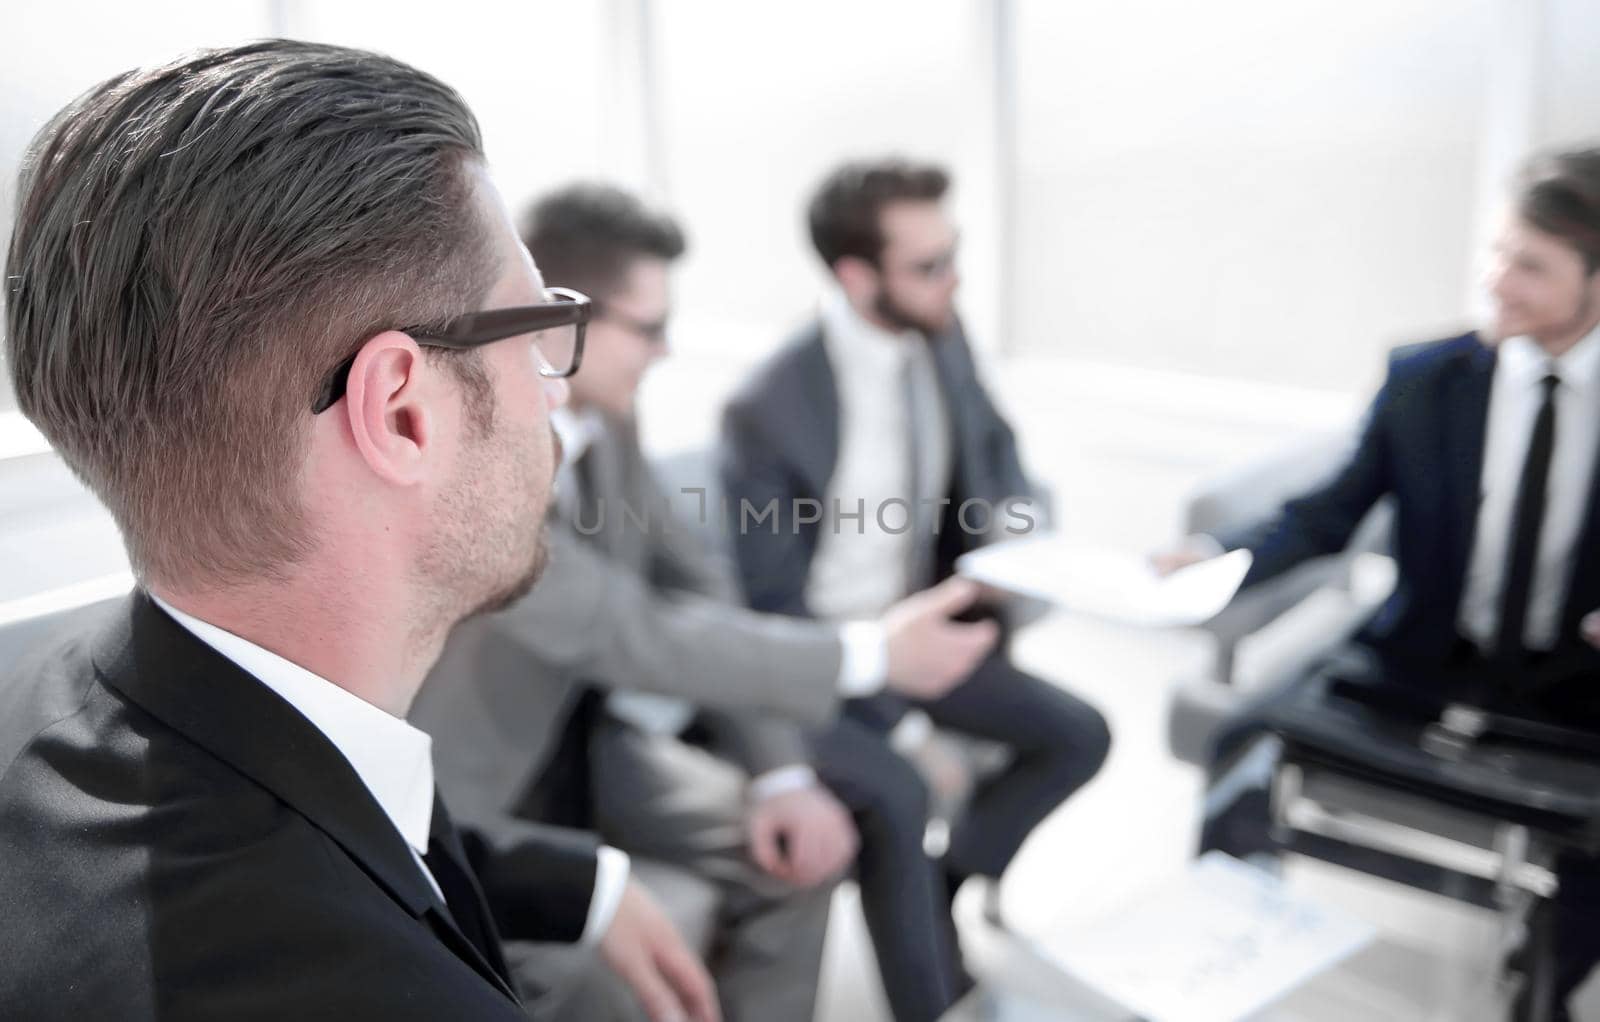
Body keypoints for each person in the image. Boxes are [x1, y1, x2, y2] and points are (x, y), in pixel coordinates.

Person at [0, 41, 714, 1022]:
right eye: (533, 326)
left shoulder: (52, 699)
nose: (554, 383)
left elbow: (349, 816)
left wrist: (577, 884)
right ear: (401, 409)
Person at [413, 181, 1000, 1021]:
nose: (666, 351)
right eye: (649, 327)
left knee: (804, 849)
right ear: (558, 317)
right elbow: (629, 629)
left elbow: (695, 580)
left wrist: (781, 773)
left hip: (594, 744)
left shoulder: (607, 423)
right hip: (477, 789)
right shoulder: (479, 473)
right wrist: (870, 653)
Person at [1156, 146, 1600, 1021]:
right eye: (1498, 253)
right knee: (1241, 739)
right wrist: (1216, 552)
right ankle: (1223, 961)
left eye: (1531, 267)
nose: (1498, 282)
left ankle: (1544, 990)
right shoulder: (1425, 379)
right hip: (1417, 657)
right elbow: (1326, 514)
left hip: (1575, 689)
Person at [719, 157, 1112, 1020]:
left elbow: (996, 449)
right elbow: (768, 608)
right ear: (857, 276)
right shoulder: (768, 408)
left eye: (953, 254)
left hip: (931, 629)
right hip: (824, 660)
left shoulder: (942, 332)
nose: (954, 279)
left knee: (1079, 735)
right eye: (928, 265)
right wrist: (897, 724)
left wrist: (1012, 535)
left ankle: (944, 886)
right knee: (898, 794)